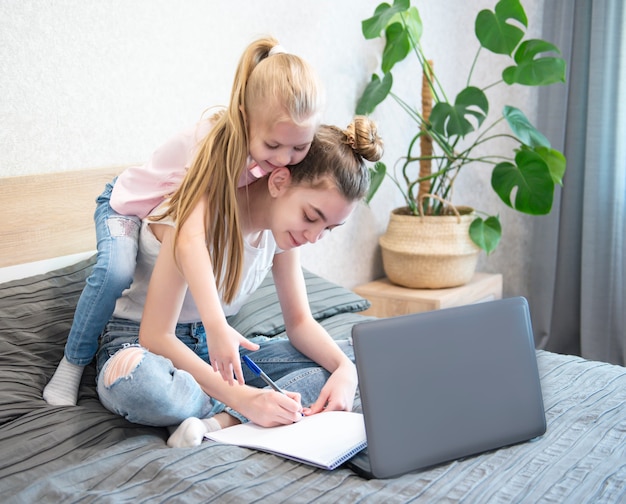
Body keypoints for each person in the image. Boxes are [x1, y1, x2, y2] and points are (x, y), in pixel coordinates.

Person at [43, 36, 324, 406]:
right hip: (123, 205)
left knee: (338, 362)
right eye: (273, 147)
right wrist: (216, 324)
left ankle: (222, 409)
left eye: (299, 148)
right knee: (115, 270)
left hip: (191, 319)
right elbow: (190, 238)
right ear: (244, 118)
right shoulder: (212, 145)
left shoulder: (268, 176)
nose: (285, 159)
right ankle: (72, 362)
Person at [95, 117, 383, 448]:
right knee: (139, 385)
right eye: (310, 217)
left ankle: (223, 420)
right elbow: (156, 336)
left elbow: (300, 323)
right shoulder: (194, 219)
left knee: (359, 356)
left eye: (328, 229)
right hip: (145, 347)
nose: (314, 237)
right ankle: (240, 411)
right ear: (278, 181)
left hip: (220, 355)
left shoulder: (282, 235)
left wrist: (345, 370)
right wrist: (244, 397)